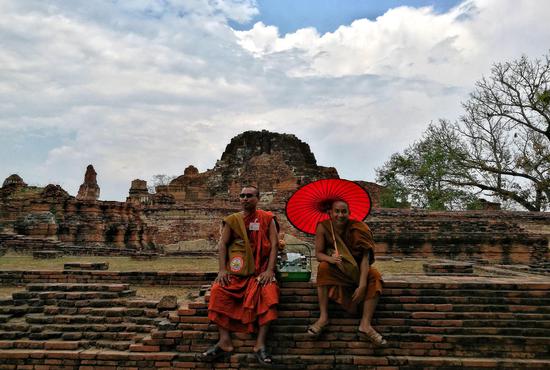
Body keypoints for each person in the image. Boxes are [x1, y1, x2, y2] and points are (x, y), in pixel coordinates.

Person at [199, 185, 280, 366]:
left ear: (258, 198)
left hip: (261, 272)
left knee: (270, 294)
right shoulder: (232, 220)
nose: (245, 198)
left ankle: (260, 344)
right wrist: (222, 270)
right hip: (237, 272)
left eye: (249, 196)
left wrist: (269, 271)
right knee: (218, 291)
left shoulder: (267, 218)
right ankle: (224, 340)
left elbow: (274, 245)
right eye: (242, 195)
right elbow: (222, 245)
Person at [308, 199, 386, 346]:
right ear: (330, 213)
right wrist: (330, 259)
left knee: (374, 276)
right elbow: (318, 254)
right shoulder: (323, 227)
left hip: (358, 269)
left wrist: (362, 285)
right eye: (336, 211)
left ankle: (365, 324)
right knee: (323, 268)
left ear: (349, 213)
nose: (340, 215)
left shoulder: (359, 227)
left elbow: (365, 258)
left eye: (344, 211)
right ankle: (323, 317)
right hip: (337, 268)